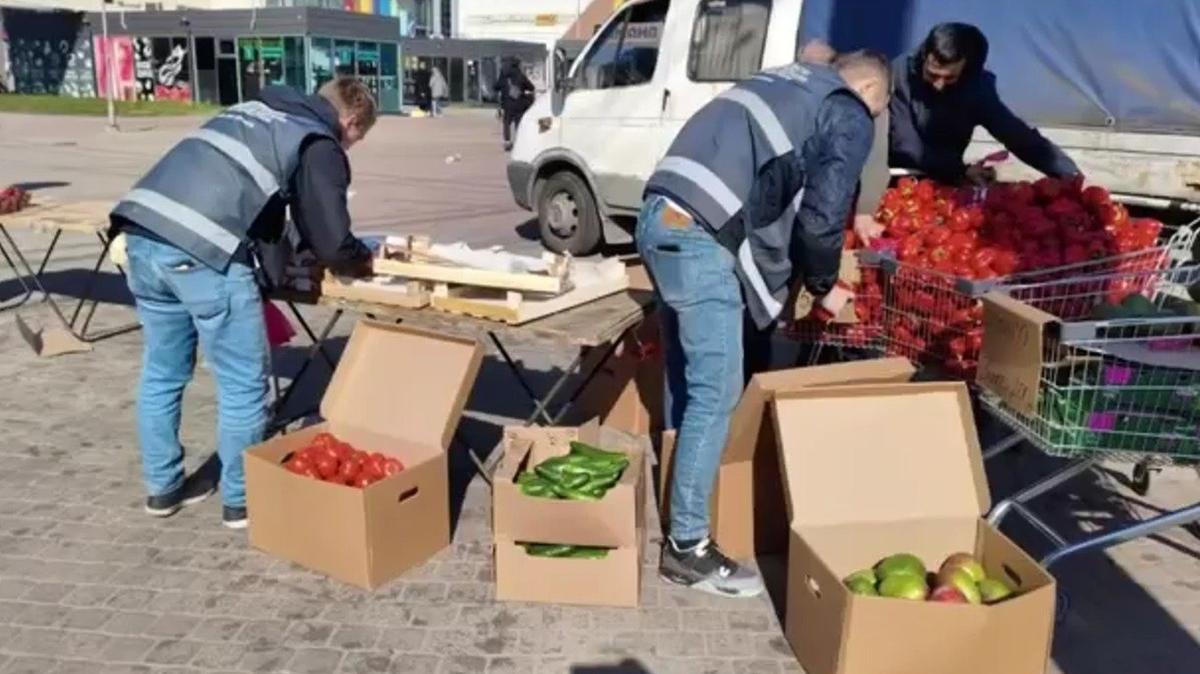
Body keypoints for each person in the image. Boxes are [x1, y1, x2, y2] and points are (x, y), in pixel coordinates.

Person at [639, 52, 890, 596]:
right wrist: (823, 286)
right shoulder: (846, 111)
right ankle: (687, 549)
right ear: (869, 88)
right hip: (699, 234)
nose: (874, 121)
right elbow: (822, 219)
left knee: (686, 377)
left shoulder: (783, 81)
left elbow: (766, 194)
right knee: (718, 389)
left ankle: (678, 494)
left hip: (659, 212)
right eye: (881, 108)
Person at [109, 77, 377, 529]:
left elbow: (255, 198)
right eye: (355, 139)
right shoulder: (317, 140)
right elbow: (331, 239)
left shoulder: (254, 111)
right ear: (349, 121)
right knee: (243, 387)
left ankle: (163, 489)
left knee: (162, 375)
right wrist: (360, 259)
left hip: (140, 235)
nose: (349, 147)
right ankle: (240, 500)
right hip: (203, 253)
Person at [889, 22, 1080, 185]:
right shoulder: (901, 74)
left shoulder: (976, 87)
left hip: (949, 179)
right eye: (932, 75)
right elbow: (906, 144)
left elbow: (1016, 134)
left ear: (967, 71)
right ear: (924, 57)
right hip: (900, 175)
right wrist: (961, 171)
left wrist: (1071, 176)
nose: (939, 85)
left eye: (949, 78)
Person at [495, 57, 535, 151]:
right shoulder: (521, 75)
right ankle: (519, 142)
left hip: (507, 104)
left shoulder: (504, 75)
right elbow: (531, 87)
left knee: (506, 123)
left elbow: (496, 86)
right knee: (518, 123)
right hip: (519, 104)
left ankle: (507, 142)